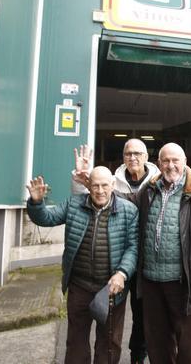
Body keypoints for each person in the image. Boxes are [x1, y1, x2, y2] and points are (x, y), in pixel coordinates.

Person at [26, 166, 139, 364]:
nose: (100, 190)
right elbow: (47, 218)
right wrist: (36, 203)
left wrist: (122, 273)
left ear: (113, 185)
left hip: (111, 289)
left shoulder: (128, 210)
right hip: (79, 286)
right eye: (95, 185)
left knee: (109, 343)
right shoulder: (74, 204)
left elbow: (133, 247)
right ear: (88, 185)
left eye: (105, 185)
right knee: (76, 341)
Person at [133, 142, 191, 364]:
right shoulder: (147, 191)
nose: (171, 165)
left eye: (176, 160)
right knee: (157, 343)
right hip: (151, 282)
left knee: (187, 346)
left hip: (184, 282)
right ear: (158, 164)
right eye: (166, 160)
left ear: (185, 163)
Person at [73, 139, 158, 364]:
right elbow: (91, 198)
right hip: (116, 264)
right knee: (110, 322)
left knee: (142, 316)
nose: (133, 158)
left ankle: (138, 357)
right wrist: (82, 182)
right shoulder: (112, 181)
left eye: (138, 153)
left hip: (145, 264)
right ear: (123, 157)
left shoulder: (157, 182)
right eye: (128, 153)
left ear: (146, 157)